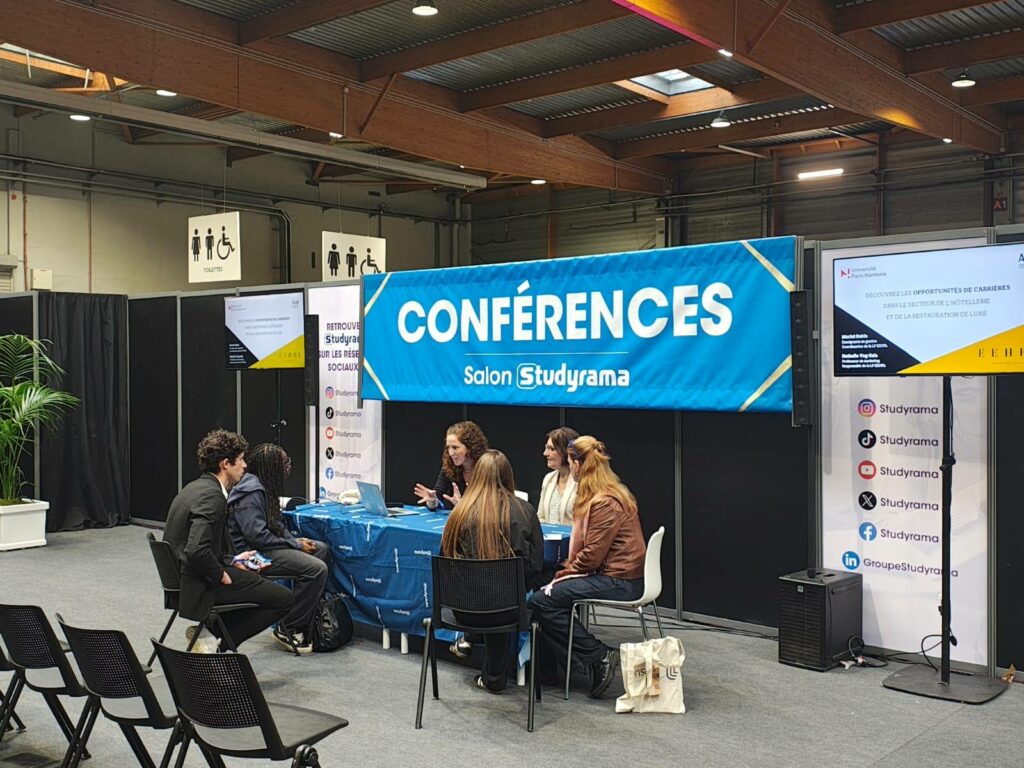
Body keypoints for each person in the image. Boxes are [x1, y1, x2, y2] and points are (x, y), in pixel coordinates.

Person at [531, 436, 646, 698]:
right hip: (612, 573)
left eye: (571, 462)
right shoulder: (607, 492)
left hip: (619, 581)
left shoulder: (604, 501)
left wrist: (561, 575)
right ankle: (560, 668)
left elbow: (592, 557)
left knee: (542, 600)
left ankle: (599, 656)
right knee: (540, 591)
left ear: (577, 465)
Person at [163, 429, 293, 651]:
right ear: (225, 464)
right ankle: (213, 639)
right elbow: (196, 550)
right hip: (199, 584)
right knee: (283, 598)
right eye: (240, 460)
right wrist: (221, 574)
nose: (244, 466)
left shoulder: (192, 488)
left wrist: (233, 560)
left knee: (255, 583)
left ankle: (209, 633)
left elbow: (195, 546)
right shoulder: (213, 497)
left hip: (182, 581)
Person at [440, 450, 543, 693]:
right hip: (506, 611)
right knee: (502, 598)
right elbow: (535, 565)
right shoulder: (525, 511)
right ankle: (494, 677)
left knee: (491, 594)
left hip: (463, 611)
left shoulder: (459, 513)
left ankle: (477, 650)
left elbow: (446, 560)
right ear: (508, 475)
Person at [227, 443, 331, 654]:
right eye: (285, 463)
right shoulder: (251, 492)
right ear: (271, 466)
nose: (289, 467)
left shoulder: (265, 486)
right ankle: (289, 625)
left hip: (265, 546)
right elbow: (258, 537)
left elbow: (275, 525)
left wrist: (295, 539)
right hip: (251, 555)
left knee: (320, 549)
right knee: (317, 569)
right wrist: (294, 544)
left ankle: (306, 617)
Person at [413, 421, 488, 510]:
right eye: (448, 447)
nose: (451, 453)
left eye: (455, 447)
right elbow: (437, 496)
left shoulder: (488, 467)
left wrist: (463, 507)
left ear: (470, 447)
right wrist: (432, 501)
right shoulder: (449, 467)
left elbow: (494, 509)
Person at [537, 426, 579, 526]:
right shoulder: (548, 478)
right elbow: (540, 516)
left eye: (551, 449)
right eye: (546, 448)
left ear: (566, 452)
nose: (545, 453)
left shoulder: (581, 481)